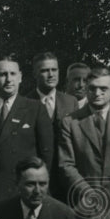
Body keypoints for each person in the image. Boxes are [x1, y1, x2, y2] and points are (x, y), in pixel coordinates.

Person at [0, 57, 54, 207]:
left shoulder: (35, 108)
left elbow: (47, 153)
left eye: (13, 74)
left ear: (20, 77)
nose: (9, 79)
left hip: (22, 190)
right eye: (3, 74)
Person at [58, 66, 110, 204]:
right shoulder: (70, 122)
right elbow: (66, 165)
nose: (97, 93)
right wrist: (87, 192)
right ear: (86, 89)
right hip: (83, 201)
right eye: (92, 88)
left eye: (103, 89)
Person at [25, 52, 76, 199]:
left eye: (54, 70)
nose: (51, 74)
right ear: (35, 74)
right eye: (45, 70)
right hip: (37, 177)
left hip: (65, 177)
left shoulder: (70, 102)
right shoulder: (25, 102)